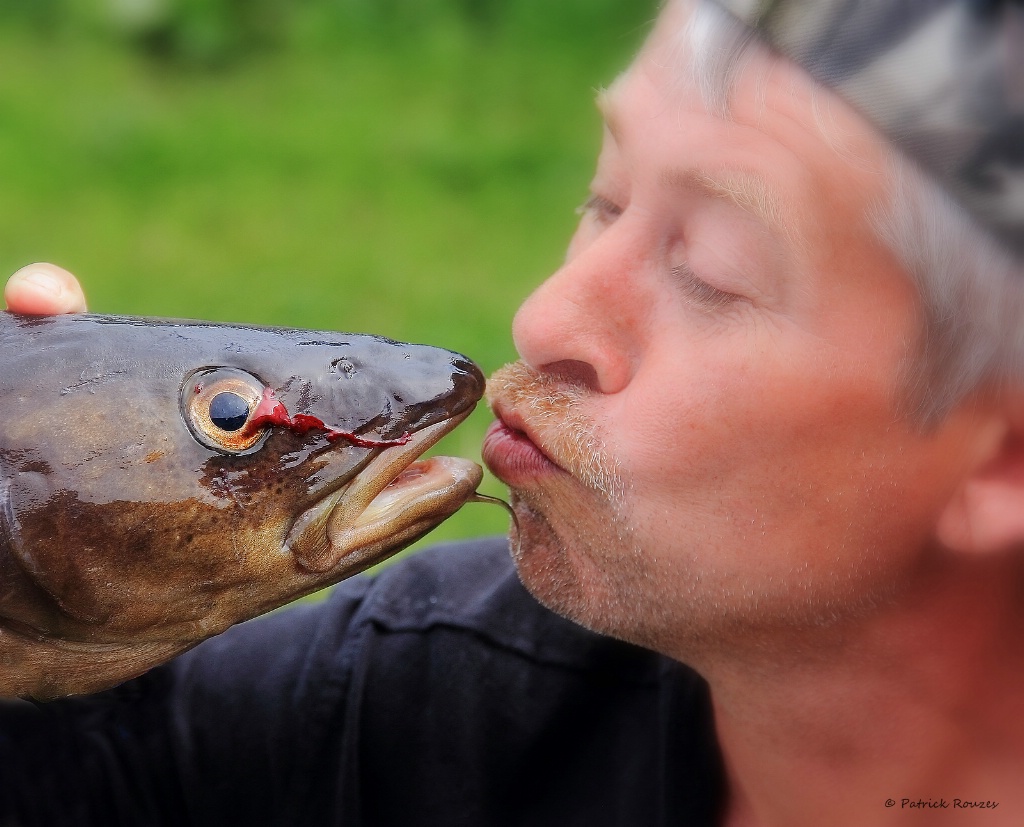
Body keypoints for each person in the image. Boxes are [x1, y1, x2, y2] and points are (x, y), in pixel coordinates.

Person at [4, 0, 1024, 824]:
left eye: (713, 272)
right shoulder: (413, 699)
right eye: (606, 198)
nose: (545, 312)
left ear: (1001, 455)